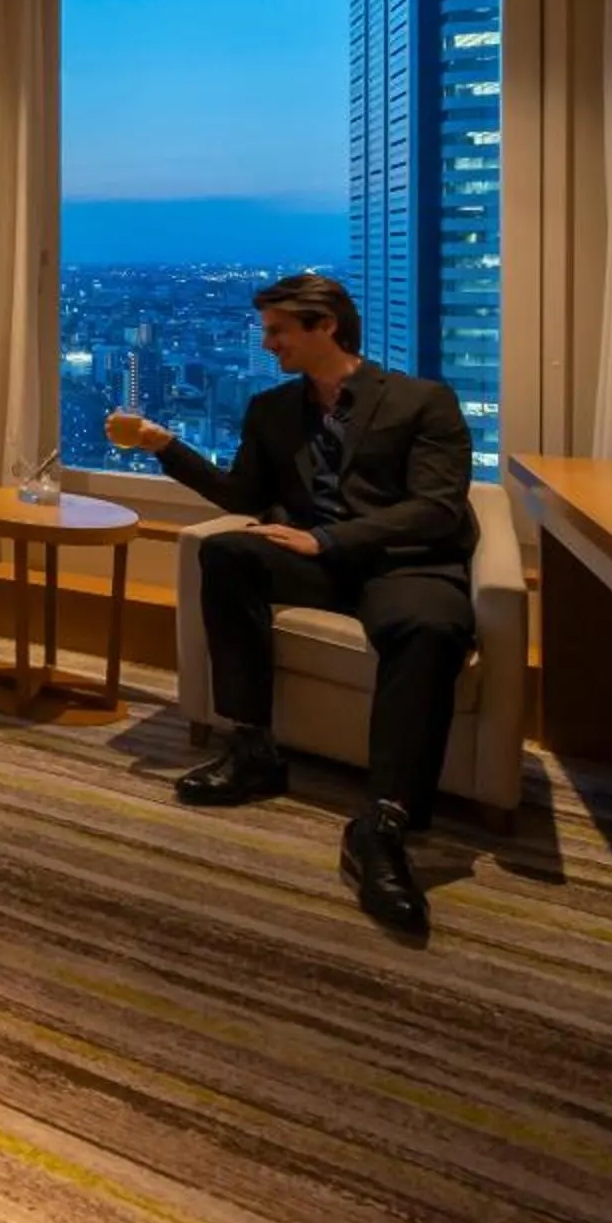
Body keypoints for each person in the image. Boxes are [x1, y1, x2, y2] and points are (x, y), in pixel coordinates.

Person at [104, 272, 476, 938]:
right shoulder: (273, 410)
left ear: (324, 326)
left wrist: (326, 537)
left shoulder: (423, 401)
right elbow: (242, 497)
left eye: (278, 330)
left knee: (430, 625)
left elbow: (437, 509)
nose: (267, 342)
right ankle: (253, 750)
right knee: (226, 554)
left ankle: (384, 823)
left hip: (398, 561)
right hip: (315, 561)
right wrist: (165, 447)